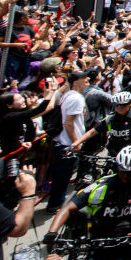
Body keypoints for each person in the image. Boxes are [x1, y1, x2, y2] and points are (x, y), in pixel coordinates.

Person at [47, 69, 90, 213]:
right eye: (84, 78)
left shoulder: (69, 95)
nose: (87, 80)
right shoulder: (75, 98)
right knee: (62, 177)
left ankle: (57, 201)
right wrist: (75, 142)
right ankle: (54, 205)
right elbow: (69, 123)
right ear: (76, 82)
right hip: (67, 144)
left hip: (65, 143)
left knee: (63, 176)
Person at [70, 91, 131, 157]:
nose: (119, 108)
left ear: (130, 104)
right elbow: (92, 132)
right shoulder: (110, 117)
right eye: (117, 105)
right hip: (115, 153)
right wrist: (75, 144)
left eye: (123, 105)